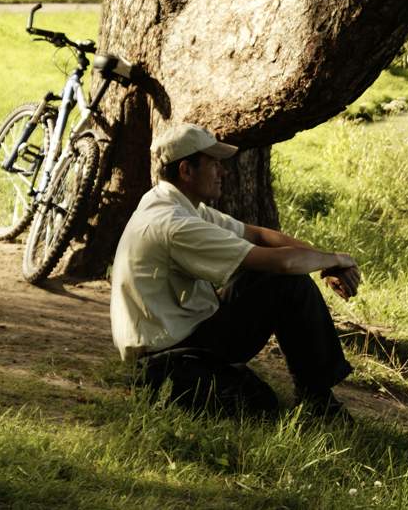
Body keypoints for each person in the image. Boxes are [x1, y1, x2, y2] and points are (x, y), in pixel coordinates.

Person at [110, 123, 361, 419]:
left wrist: (327, 262)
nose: (223, 172)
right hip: (166, 358)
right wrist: (335, 259)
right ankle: (318, 401)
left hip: (183, 338)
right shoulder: (175, 224)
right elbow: (282, 263)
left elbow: (258, 235)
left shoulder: (175, 204)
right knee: (259, 403)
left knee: (282, 283)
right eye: (213, 164)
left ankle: (318, 397)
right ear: (186, 171)